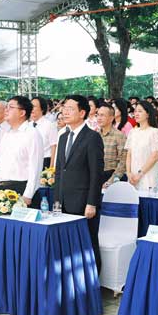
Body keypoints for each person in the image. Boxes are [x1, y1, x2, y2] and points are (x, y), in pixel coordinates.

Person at [53, 95, 105, 268]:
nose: (64, 112)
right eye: (64, 108)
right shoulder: (62, 137)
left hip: (83, 201)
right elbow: (60, 171)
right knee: (66, 245)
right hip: (64, 200)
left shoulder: (92, 137)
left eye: (70, 109)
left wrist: (92, 202)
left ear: (82, 113)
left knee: (87, 243)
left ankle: (92, 281)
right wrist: (57, 199)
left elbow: (96, 174)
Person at [0, 96, 43, 205]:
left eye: (10, 107)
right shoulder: (6, 133)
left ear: (22, 113)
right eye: (6, 107)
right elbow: (1, 165)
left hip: (22, 189)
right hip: (2, 190)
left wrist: (28, 195)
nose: (6, 110)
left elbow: (35, 167)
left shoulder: (32, 134)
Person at [125, 100, 158, 193]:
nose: (136, 114)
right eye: (135, 111)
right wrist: (129, 173)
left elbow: (154, 156)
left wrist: (140, 174)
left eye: (140, 111)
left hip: (147, 176)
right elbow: (129, 155)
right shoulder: (133, 132)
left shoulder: (154, 132)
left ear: (148, 114)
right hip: (132, 177)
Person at [95, 103, 126, 188]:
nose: (99, 118)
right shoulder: (95, 135)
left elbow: (123, 162)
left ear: (111, 118)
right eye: (97, 115)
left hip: (111, 177)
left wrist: (111, 181)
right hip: (96, 177)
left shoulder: (119, 136)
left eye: (102, 115)